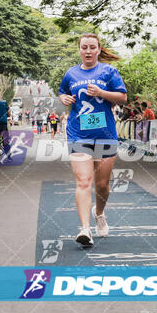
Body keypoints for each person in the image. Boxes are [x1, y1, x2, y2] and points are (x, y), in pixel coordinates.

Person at [58, 33, 127, 246]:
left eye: (92, 47)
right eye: (84, 47)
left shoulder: (109, 71)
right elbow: (62, 93)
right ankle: (85, 229)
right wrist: (64, 98)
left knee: (102, 185)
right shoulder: (71, 73)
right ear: (79, 50)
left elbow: (123, 97)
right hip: (78, 133)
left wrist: (101, 92)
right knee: (83, 181)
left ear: (98, 50)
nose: (88, 51)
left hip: (105, 135)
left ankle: (99, 213)